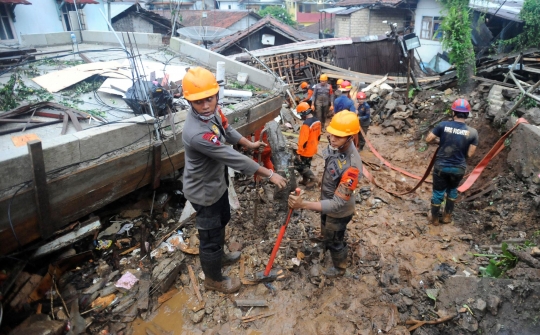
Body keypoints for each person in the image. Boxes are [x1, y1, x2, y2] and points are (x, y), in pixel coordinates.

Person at [182, 67, 287, 293]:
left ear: (216, 95)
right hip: (203, 191)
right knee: (210, 236)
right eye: (199, 102)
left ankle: (220, 256)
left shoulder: (212, 112)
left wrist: (247, 143)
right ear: (190, 102)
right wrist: (269, 174)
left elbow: (227, 130)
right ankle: (212, 279)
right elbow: (232, 158)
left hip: (216, 182)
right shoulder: (197, 133)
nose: (206, 105)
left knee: (223, 218)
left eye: (209, 99)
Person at [288, 111, 362, 277]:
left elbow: (337, 204)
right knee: (325, 226)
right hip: (326, 203)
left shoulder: (352, 167)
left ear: (350, 137)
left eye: (338, 136)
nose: (332, 139)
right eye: (331, 134)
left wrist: (303, 204)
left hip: (338, 211)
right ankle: (325, 240)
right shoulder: (336, 146)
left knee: (337, 240)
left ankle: (339, 267)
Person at [425, 98, 478, 225]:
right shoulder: (473, 132)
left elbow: (428, 139)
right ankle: (447, 216)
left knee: (438, 192)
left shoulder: (443, 125)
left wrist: (440, 141)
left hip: (441, 167)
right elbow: (470, 154)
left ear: (453, 112)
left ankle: (435, 219)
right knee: (452, 190)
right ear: (467, 114)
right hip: (458, 168)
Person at [294, 102, 322, 187]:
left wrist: (299, 152)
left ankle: (313, 178)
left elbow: (303, 140)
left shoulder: (306, 125)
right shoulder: (317, 121)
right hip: (313, 147)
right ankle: (305, 180)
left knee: (298, 164)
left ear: (303, 113)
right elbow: (319, 135)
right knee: (307, 165)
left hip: (306, 150)